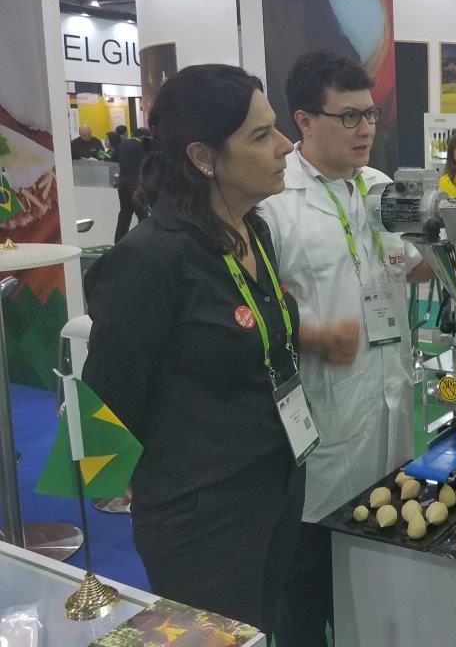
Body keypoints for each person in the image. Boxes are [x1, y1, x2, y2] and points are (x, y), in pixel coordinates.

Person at [82, 65, 303, 635]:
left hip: (275, 482)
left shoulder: (253, 231)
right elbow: (106, 398)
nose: (286, 146)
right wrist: (126, 483)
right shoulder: (149, 260)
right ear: (204, 157)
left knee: (268, 627)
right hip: (202, 513)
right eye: (262, 135)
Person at [260, 50, 433, 646]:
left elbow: (417, 266)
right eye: (350, 116)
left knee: (379, 581)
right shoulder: (275, 202)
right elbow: (251, 312)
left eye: (371, 114)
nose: (366, 129)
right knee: (307, 589)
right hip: (321, 422)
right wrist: (313, 335)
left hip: (389, 407)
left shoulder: (381, 188)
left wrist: (450, 239)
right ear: (305, 120)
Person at [114, 129, 149, 242]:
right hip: (136, 185)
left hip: (123, 184)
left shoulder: (122, 145)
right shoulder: (141, 147)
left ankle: (119, 241)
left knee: (125, 213)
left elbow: (114, 158)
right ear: (143, 137)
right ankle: (142, 240)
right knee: (143, 216)